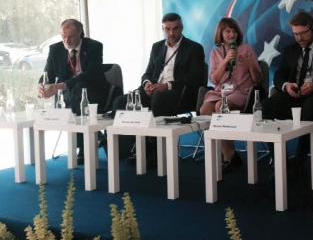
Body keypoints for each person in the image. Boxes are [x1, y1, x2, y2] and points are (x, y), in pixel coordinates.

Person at [113, 12, 205, 161]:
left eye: (175, 28)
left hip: (179, 93)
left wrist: (167, 86)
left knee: (159, 98)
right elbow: (147, 73)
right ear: (163, 29)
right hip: (154, 90)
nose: (171, 33)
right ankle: (130, 148)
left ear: (181, 28)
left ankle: (156, 151)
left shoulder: (194, 48)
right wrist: (147, 84)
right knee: (121, 101)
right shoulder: (157, 47)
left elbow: (195, 79)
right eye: (167, 29)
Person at [262, 12, 313, 161]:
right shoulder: (290, 50)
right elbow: (278, 76)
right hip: (294, 96)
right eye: (296, 34)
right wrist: (286, 86)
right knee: (266, 106)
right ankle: (278, 158)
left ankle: (299, 159)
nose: (299, 38)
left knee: (310, 107)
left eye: (303, 33)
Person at [38, 18, 110, 162]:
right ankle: (92, 138)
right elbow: (47, 74)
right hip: (69, 95)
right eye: (63, 36)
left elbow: (90, 74)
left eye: (70, 36)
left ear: (80, 34)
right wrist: (42, 86)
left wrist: (63, 86)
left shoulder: (94, 47)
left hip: (92, 91)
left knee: (78, 91)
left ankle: (84, 145)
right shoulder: (56, 49)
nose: (67, 40)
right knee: (72, 96)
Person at [199, 17, 261, 171]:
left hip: (241, 91)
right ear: (221, 34)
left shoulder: (246, 49)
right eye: (227, 31)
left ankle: (228, 156)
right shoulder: (216, 52)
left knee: (221, 107)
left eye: (234, 31)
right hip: (221, 91)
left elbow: (258, 79)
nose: (231, 35)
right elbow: (214, 79)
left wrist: (251, 65)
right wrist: (225, 61)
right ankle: (225, 152)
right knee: (205, 110)